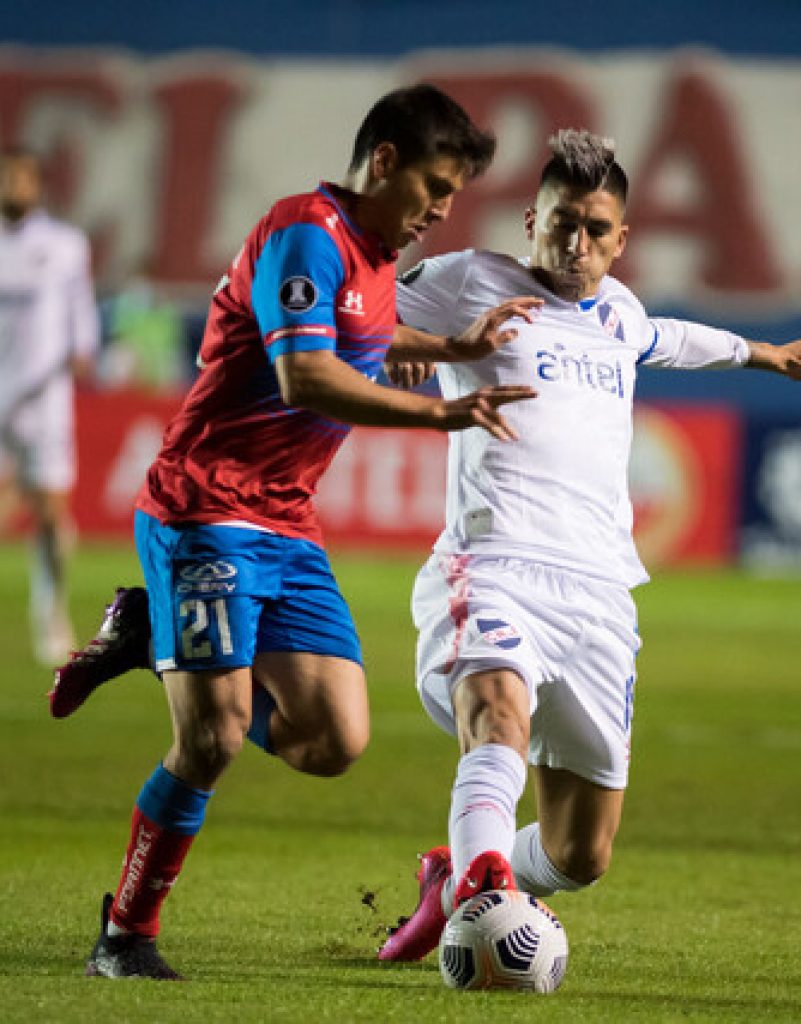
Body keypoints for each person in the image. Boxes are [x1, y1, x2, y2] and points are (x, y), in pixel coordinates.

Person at [50, 84, 541, 981]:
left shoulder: (377, 254)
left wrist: (453, 349)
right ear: (383, 161)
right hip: (205, 508)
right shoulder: (306, 234)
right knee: (215, 736)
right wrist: (441, 416)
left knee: (332, 741)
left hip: (285, 520)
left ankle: (150, 630)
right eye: (434, 183)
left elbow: (369, 339)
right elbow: (306, 375)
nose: (440, 208)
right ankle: (124, 934)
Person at [375, 129, 801, 962]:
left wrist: (770, 356)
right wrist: (409, 353)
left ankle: (452, 874)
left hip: (600, 594)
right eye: (562, 223)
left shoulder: (620, 315)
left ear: (622, 237)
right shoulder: (467, 281)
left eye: (597, 230)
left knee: (580, 854)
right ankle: (480, 893)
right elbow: (351, 319)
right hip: (494, 567)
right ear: (531, 218)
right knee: (496, 716)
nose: (577, 245)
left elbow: (672, 338)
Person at [0, 148, 100, 665]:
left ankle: (50, 607)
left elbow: (80, 307)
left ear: (36, 184)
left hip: (44, 395)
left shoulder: (62, 245)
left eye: (18, 178)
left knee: (50, 511)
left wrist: (84, 345)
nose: (10, 186)